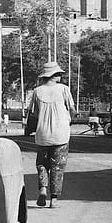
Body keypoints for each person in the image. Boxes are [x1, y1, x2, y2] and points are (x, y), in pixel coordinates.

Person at [29, 61, 76, 207]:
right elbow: (72, 110)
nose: (60, 76)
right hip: (61, 134)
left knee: (42, 164)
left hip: (43, 134)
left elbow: (34, 114)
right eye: (59, 74)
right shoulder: (64, 89)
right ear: (54, 75)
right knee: (58, 166)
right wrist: (69, 119)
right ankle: (53, 199)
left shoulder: (37, 91)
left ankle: (43, 190)